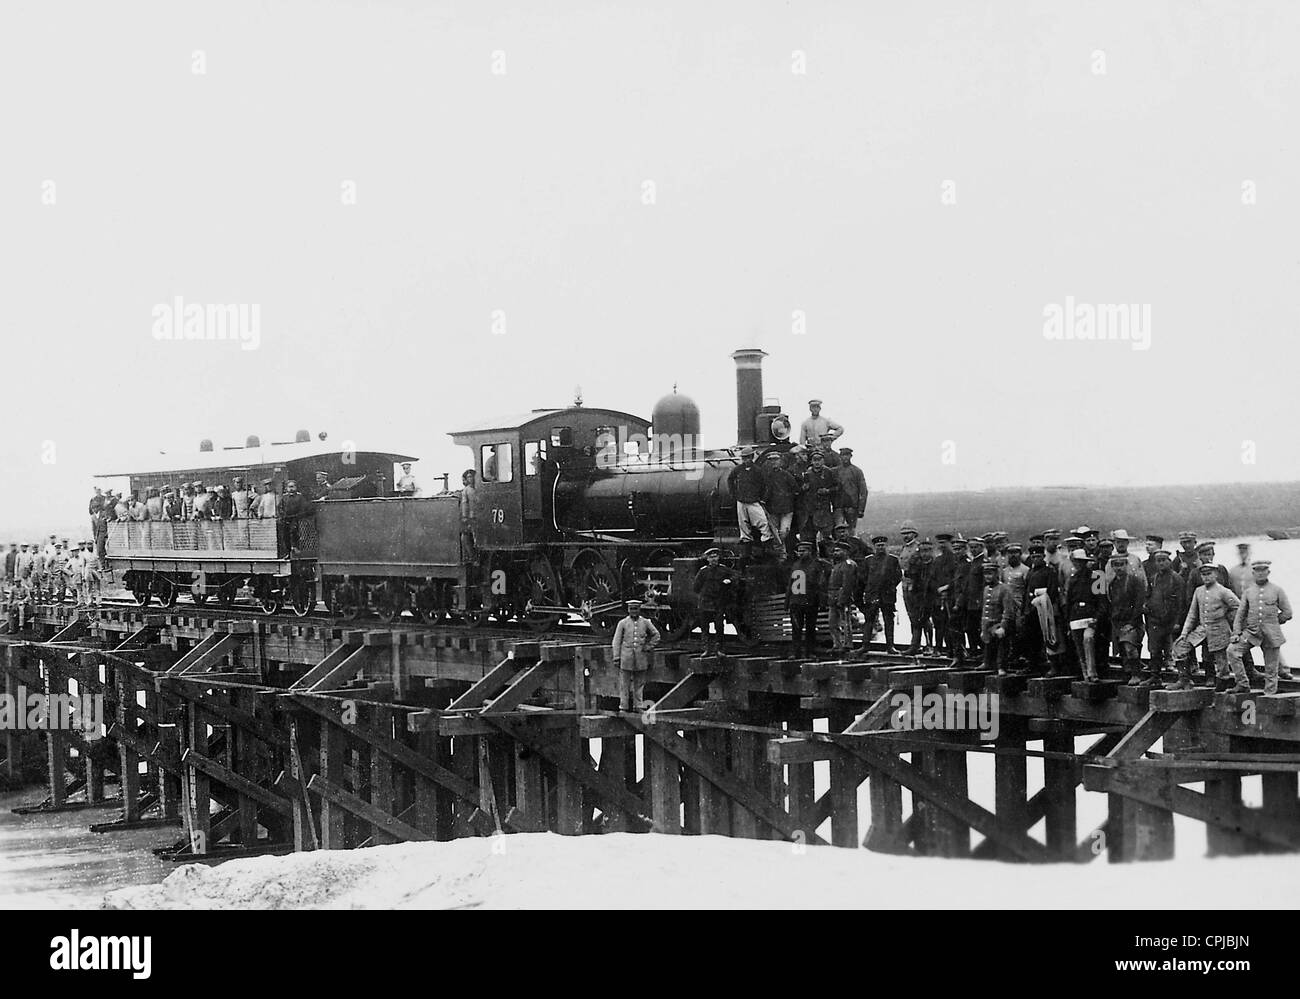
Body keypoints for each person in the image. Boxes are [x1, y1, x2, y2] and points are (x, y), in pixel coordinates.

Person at [1170, 563, 1244, 692]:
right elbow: (1192, 614)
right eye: (1203, 574)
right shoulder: (1199, 591)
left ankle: (1222, 683)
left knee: (1221, 659)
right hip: (1202, 629)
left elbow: (1239, 608)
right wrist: (1184, 633)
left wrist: (1229, 619)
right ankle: (1184, 680)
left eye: (1209, 573)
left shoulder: (1224, 591)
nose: (1206, 577)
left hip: (1219, 629)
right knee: (1180, 647)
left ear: (1216, 574)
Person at [1229, 560, 1292, 696]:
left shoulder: (1277, 590)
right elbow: (1240, 615)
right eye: (1257, 571)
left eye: (1263, 570)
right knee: (1233, 651)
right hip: (1251, 633)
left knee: (1271, 667)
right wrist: (1236, 632)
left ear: (1268, 572)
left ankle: (1269, 693)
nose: (1260, 573)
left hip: (1271, 634)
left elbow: (1287, 612)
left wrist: (1274, 623)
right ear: (1253, 574)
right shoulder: (1249, 592)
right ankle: (1242, 684)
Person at [1107, 555, 1149, 685]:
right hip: (1118, 622)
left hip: (1133, 622)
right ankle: (1128, 674)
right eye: (1115, 565)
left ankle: (1136, 675)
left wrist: (1132, 623)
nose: (1118, 568)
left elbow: (1139, 603)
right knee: (1123, 651)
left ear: (1126, 565)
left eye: (1121, 564)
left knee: (1130, 648)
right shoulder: (1113, 583)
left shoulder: (1135, 581)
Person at [611, 599, 660, 711]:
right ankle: (623, 706)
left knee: (639, 684)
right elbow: (616, 641)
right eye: (631, 609)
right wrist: (616, 657)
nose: (634, 611)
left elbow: (656, 635)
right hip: (626, 658)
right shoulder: (622, 623)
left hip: (640, 658)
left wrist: (648, 646)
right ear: (628, 610)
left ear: (639, 609)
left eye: (636, 609)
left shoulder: (645, 622)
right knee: (624, 684)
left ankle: (638, 706)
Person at [1022, 543, 1062, 674]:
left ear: (1044, 557)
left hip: (1044, 609)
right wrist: (1025, 609)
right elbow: (1026, 591)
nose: (1035, 559)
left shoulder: (1049, 571)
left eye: (1038, 556)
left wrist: (1042, 603)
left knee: (1048, 637)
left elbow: (1051, 591)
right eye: (1033, 557)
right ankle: (1032, 665)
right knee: (1031, 639)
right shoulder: (1030, 572)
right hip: (1031, 611)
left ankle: (1053, 667)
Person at [1144, 550, 1186, 676]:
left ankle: (1179, 676)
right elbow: (1148, 595)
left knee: (1174, 649)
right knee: (1154, 649)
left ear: (1169, 562)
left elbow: (1181, 603)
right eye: (1158, 561)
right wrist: (1147, 606)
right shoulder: (1154, 578)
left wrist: (1178, 622)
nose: (1161, 563)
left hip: (1171, 620)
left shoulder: (1176, 579)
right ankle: (1155, 676)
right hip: (1155, 620)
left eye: (1164, 560)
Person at [726, 446, 775, 552]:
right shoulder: (738, 469)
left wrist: (764, 499)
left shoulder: (758, 470)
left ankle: (767, 545)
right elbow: (730, 479)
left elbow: (767, 485)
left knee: (763, 523)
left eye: (748, 458)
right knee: (743, 525)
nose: (746, 460)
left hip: (754, 501)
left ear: (752, 457)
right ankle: (746, 547)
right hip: (741, 501)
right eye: (744, 458)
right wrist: (733, 494)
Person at [1065, 549, 1104, 680]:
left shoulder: (1097, 577)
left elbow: (1101, 601)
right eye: (1076, 562)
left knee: (1088, 639)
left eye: (1082, 562)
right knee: (1079, 647)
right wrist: (1068, 623)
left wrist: (1097, 618)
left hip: (1091, 616)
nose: (1079, 565)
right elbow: (1069, 602)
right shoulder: (1072, 579)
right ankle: (1085, 674)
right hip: (1075, 617)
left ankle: (1092, 673)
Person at [861, 534, 902, 654]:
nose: (880, 548)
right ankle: (865, 645)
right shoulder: (868, 560)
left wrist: (889, 586)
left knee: (889, 620)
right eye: (878, 546)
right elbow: (863, 577)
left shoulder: (893, 560)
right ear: (874, 547)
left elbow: (898, 576)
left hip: (887, 595)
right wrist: (870, 587)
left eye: (882, 545)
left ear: (886, 546)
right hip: (872, 595)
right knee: (869, 620)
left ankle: (890, 646)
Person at [787, 539, 829, 658]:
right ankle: (796, 652)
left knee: (810, 628)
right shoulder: (795, 565)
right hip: (796, 602)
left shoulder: (816, 565)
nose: (801, 553)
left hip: (810, 602)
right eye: (799, 551)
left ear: (809, 551)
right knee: (796, 628)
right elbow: (790, 585)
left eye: (804, 551)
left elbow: (821, 584)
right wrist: (787, 602)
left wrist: (821, 601)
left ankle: (810, 652)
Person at [692, 548, 734, 657]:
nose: (713, 559)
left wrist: (730, 580)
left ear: (718, 557)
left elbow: (735, 575)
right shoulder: (703, 571)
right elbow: (696, 587)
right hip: (705, 602)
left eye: (715, 556)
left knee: (719, 626)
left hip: (718, 602)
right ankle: (706, 649)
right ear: (707, 559)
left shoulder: (724, 570)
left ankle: (719, 649)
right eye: (711, 557)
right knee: (705, 627)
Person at [977, 560, 1017, 675]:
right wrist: (983, 629)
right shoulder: (986, 589)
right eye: (986, 574)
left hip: (999, 624)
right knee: (987, 644)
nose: (988, 577)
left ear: (996, 574)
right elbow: (984, 611)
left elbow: (1008, 610)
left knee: (1001, 646)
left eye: (990, 574)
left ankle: (1001, 667)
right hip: (988, 625)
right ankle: (987, 662)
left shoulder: (1004, 589)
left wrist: (1003, 627)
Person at [902, 537, 938, 655]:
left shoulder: (935, 564)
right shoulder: (916, 564)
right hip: (919, 596)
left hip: (933, 596)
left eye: (928, 550)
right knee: (918, 620)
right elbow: (911, 577)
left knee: (932, 622)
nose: (925, 554)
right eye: (923, 551)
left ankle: (931, 645)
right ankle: (915, 645)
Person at [763, 452, 800, 555]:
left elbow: (796, 489)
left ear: (780, 461)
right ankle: (781, 556)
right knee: (775, 533)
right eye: (771, 460)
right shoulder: (767, 476)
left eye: (776, 460)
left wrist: (788, 497)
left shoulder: (786, 475)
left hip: (786, 509)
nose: (774, 462)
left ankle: (781, 553)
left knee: (783, 532)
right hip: (773, 510)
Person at [799, 449, 838, 549]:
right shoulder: (807, 473)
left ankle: (828, 557)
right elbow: (801, 490)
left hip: (824, 508)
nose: (817, 462)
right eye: (814, 460)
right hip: (810, 509)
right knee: (809, 536)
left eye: (819, 460)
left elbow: (837, 487)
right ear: (811, 461)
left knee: (826, 536)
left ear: (823, 461)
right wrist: (804, 488)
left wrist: (827, 490)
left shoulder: (829, 472)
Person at [827, 541, 859, 655]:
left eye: (838, 550)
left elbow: (848, 584)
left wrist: (843, 599)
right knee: (832, 622)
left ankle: (847, 644)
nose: (835, 553)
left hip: (843, 596)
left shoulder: (848, 564)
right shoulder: (836, 565)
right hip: (833, 597)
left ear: (845, 552)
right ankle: (837, 644)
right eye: (835, 551)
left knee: (846, 622)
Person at [833, 448, 868, 534]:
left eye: (847, 455)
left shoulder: (857, 471)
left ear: (850, 456)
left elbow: (863, 491)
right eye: (843, 455)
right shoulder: (835, 471)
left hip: (852, 507)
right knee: (839, 530)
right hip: (838, 506)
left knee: (851, 531)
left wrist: (861, 509)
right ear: (840, 457)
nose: (845, 458)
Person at [458, 470, 477, 560]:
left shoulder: (479, 488)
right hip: (471, 517)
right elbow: (465, 504)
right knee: (466, 537)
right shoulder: (466, 490)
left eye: (472, 476)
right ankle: (471, 556)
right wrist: (465, 516)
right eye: (469, 477)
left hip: (480, 516)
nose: (471, 478)